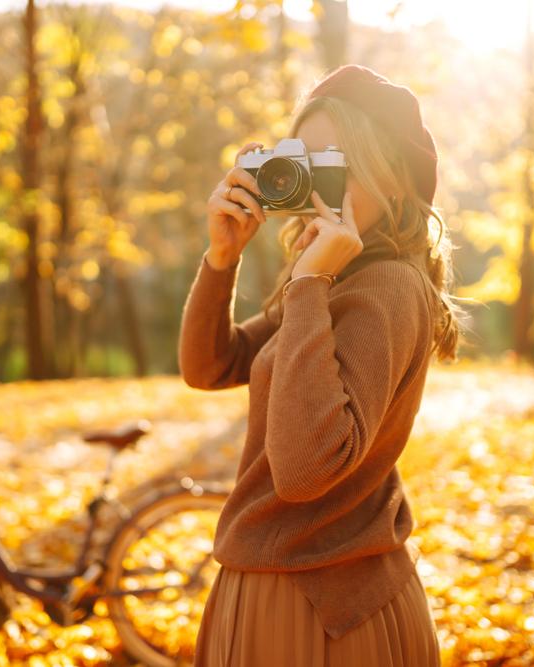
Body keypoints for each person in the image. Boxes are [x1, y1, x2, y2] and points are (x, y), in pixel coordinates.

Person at [179, 63, 467, 667]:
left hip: (319, 610)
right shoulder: (334, 280)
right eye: (303, 163)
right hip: (291, 587)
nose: (314, 187)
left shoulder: (382, 284)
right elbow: (210, 366)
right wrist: (223, 255)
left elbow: (306, 471)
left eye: (335, 164)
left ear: (392, 180)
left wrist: (309, 281)